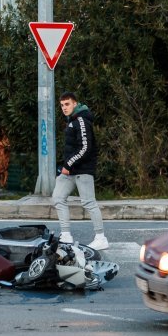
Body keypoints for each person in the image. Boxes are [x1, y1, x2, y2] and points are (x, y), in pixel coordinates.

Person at [52, 92, 108, 250]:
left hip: (82, 170)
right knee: (57, 198)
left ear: (75, 104)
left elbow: (85, 148)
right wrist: (67, 167)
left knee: (89, 202)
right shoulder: (72, 120)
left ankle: (100, 238)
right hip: (70, 170)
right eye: (62, 105)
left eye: (67, 104)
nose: (64, 108)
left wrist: (68, 165)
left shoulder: (82, 120)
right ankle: (66, 236)